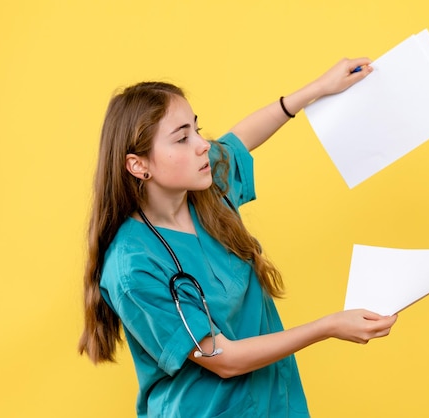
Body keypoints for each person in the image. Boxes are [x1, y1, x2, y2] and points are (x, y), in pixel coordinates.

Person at [78, 57, 398, 417]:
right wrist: (328, 326)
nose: (202, 145)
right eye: (182, 138)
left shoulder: (205, 190)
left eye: (197, 130)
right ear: (139, 165)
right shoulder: (133, 266)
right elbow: (223, 358)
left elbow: (241, 139)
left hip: (273, 405)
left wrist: (318, 89)